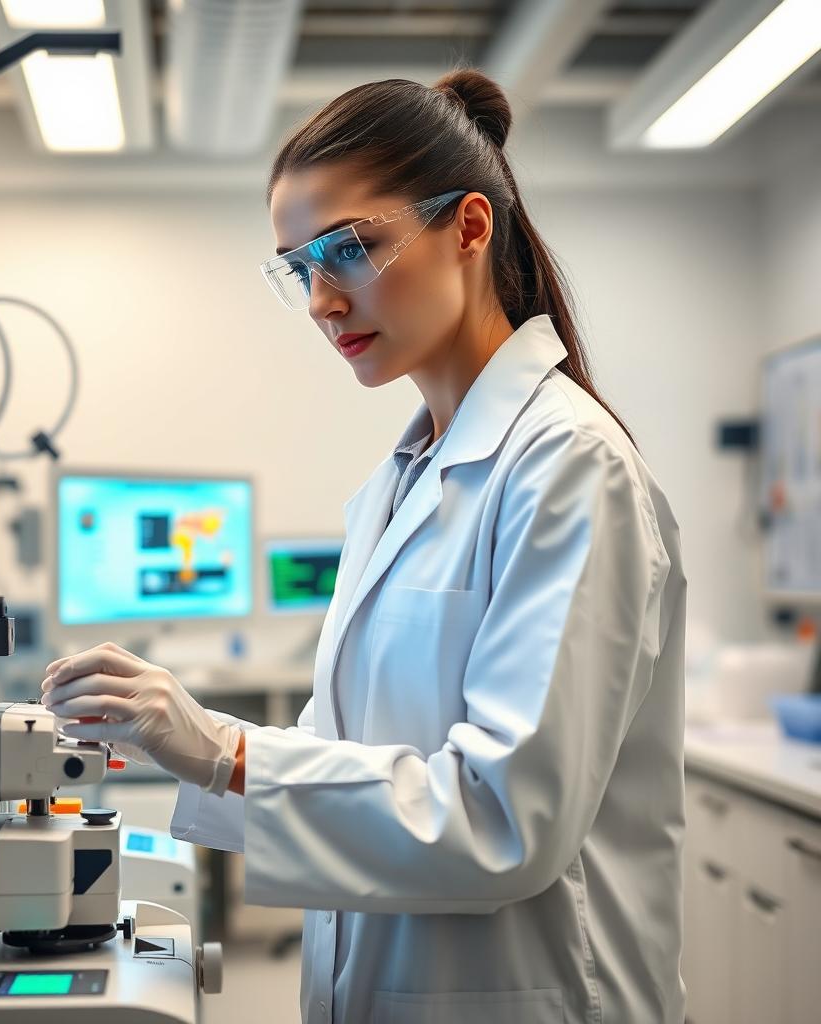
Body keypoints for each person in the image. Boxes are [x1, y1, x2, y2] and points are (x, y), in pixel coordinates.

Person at [41, 68, 687, 1024]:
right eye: (300, 266)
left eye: (350, 249)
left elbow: (505, 817)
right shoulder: (403, 478)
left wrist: (224, 748)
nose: (320, 300)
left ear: (470, 228)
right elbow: (353, 751)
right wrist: (170, 741)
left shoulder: (568, 466)